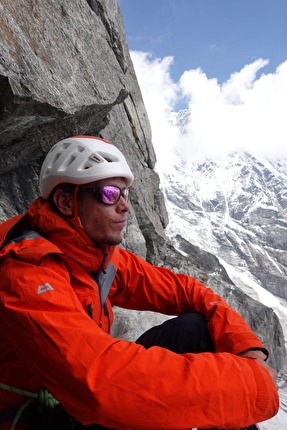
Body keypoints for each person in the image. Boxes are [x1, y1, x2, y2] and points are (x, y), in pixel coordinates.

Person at [0, 135, 278, 430]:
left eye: (125, 194)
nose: (125, 207)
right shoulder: (26, 273)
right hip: (36, 418)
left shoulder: (93, 253)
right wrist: (251, 384)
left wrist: (247, 348)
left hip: (69, 402)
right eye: (109, 194)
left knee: (197, 329)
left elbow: (187, 290)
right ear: (66, 202)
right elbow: (101, 386)